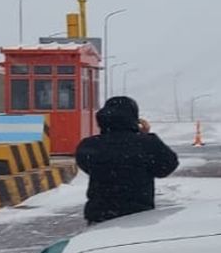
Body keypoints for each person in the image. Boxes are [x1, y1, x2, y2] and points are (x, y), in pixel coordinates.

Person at [76, 96, 179, 224]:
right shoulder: (147, 143)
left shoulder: (89, 145)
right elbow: (166, 167)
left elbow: (86, 166)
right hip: (138, 216)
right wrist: (144, 136)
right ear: (134, 118)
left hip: (100, 216)